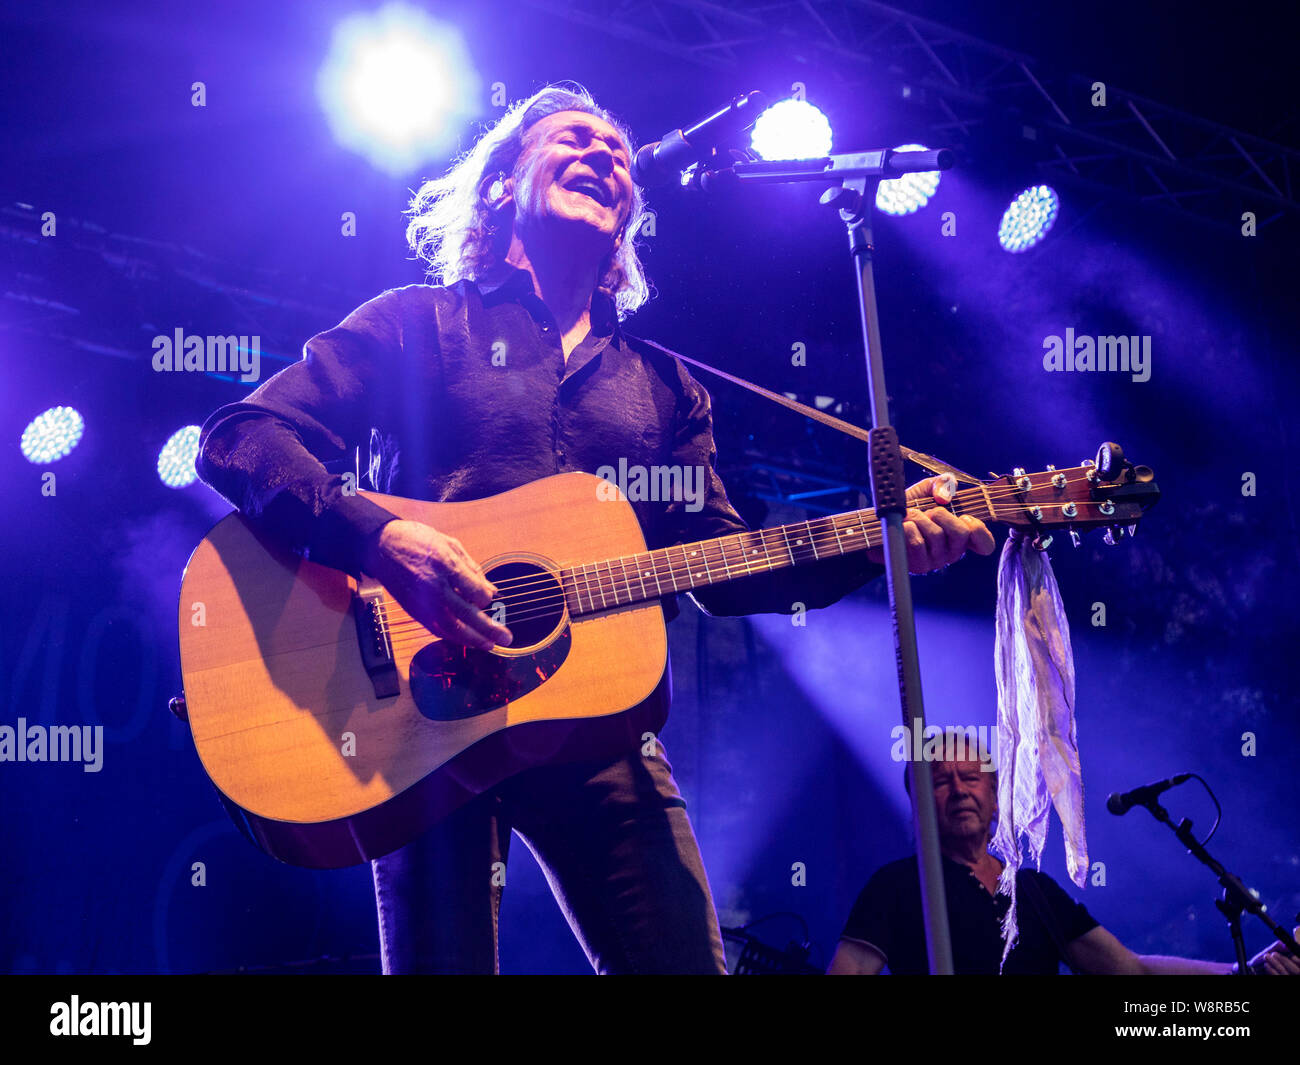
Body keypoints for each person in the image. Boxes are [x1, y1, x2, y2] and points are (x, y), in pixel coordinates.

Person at [195, 83, 995, 974]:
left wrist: (883, 542)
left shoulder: (663, 385)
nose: (606, 155)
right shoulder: (419, 322)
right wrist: (378, 538)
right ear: (503, 187)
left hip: (592, 726)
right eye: (573, 139)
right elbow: (241, 437)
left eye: (617, 152)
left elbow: (732, 570)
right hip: (416, 710)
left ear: (626, 223)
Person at [828, 735, 1300, 975]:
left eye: (971, 778)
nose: (959, 791)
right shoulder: (896, 886)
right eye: (940, 780)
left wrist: (1243, 972)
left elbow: (1130, 971)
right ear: (917, 804)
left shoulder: (1033, 891)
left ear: (995, 799)